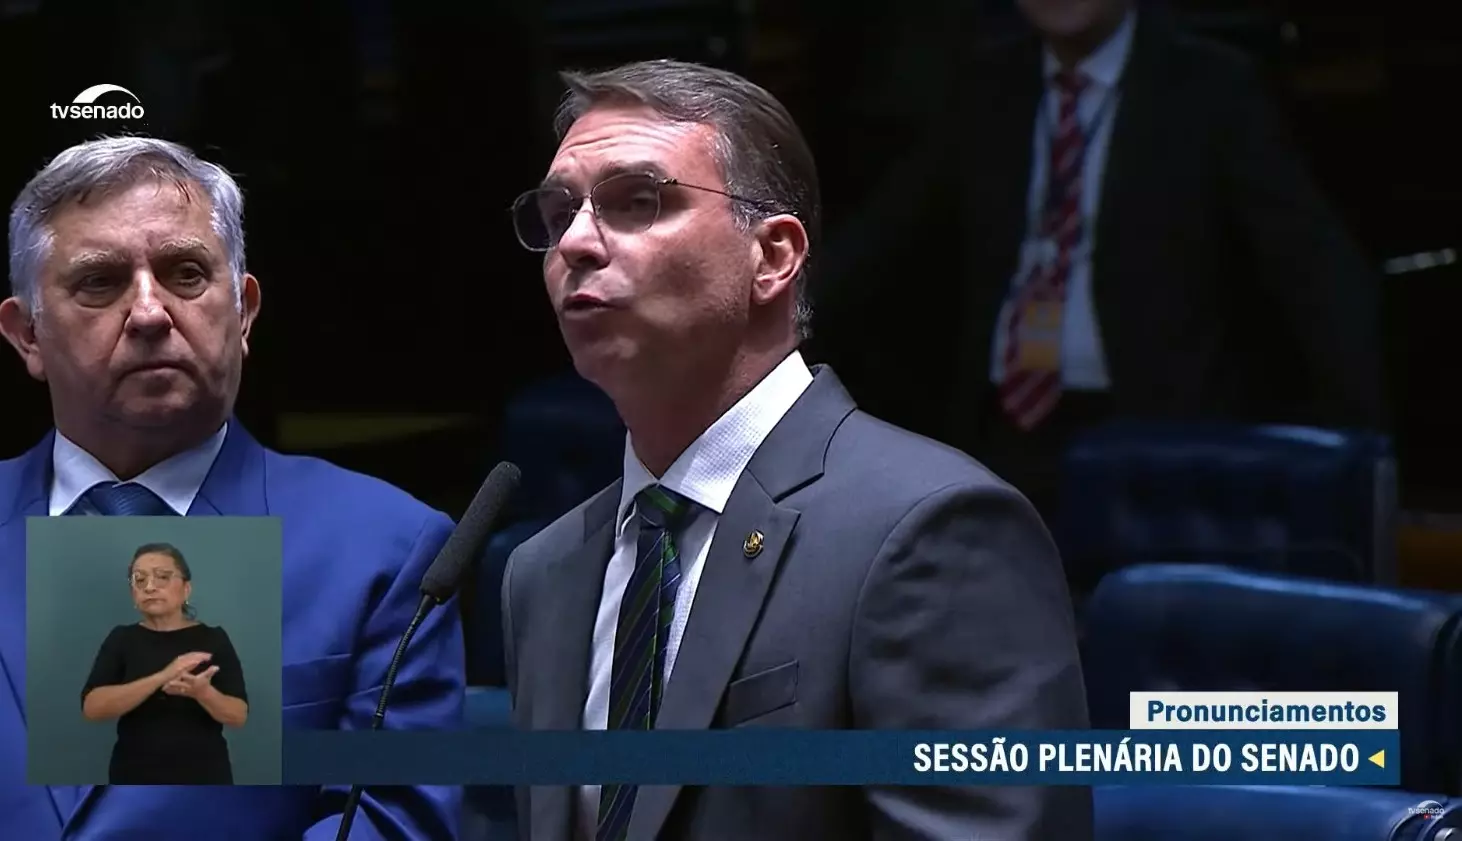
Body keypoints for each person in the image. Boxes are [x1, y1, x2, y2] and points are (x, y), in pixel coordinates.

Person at [501, 59, 1091, 841]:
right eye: (557, 212)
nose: (574, 242)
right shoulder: (544, 571)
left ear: (773, 256)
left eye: (635, 201)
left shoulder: (928, 530)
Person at [0, 137, 463, 840]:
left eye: (185, 273)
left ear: (243, 312)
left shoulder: (386, 548)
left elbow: (386, 823)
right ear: (28, 334)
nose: (151, 313)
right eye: (100, 282)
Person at [812, 0, 1385, 518]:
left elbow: (1317, 275)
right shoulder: (987, 85)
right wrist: (765, 319)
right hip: (1003, 433)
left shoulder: (1211, 87)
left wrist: (1364, 457)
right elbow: (877, 243)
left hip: (1152, 443)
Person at [82, 543, 248, 785]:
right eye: (139, 580)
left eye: (162, 577)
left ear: (186, 589)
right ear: (133, 594)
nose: (149, 587)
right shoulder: (122, 638)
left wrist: (203, 693)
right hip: (133, 775)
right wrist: (162, 676)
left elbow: (238, 716)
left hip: (205, 773)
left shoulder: (214, 638)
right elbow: (92, 708)